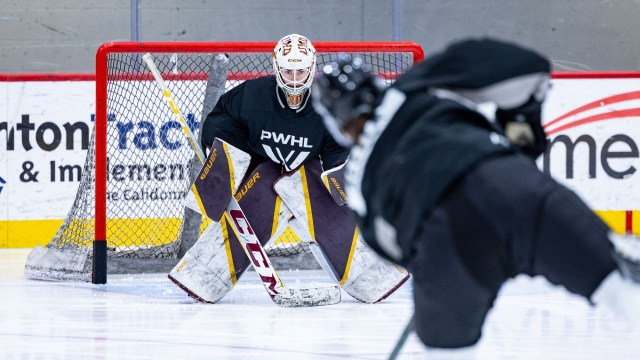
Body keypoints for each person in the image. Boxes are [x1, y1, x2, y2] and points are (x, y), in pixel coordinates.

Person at [312, 39, 640, 357]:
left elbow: (392, 246)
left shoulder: (355, 175)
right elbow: (529, 69)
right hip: (509, 183)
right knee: (620, 288)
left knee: (446, 351)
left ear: (335, 120)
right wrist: (520, 126)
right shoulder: (416, 86)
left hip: (445, 243)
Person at [169, 34, 409, 305]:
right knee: (260, 194)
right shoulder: (250, 96)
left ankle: (371, 277)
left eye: (301, 71)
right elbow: (223, 126)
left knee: (324, 203)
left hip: (310, 174)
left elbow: (338, 154)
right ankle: (204, 277)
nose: (295, 78)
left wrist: (347, 189)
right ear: (275, 66)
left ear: (313, 67)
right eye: (288, 71)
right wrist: (225, 163)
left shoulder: (327, 103)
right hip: (262, 170)